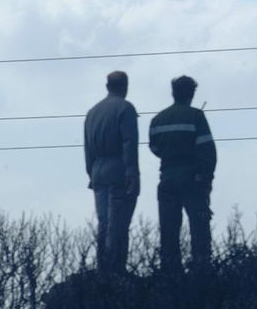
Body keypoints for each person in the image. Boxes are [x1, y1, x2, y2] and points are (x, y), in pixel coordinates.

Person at [149, 75, 217, 272]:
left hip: (167, 177)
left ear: (173, 92)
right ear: (192, 93)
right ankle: (201, 271)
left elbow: (154, 148)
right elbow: (208, 151)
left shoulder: (158, 119)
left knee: (169, 230)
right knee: (199, 227)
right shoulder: (196, 116)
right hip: (192, 179)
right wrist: (206, 179)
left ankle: (170, 273)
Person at [84, 70, 140, 273]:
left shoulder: (93, 112)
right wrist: (132, 173)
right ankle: (116, 269)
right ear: (125, 86)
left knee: (104, 223)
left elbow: (87, 148)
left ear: (107, 86)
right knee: (118, 223)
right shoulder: (125, 108)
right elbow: (129, 143)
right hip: (119, 170)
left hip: (98, 171)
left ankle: (103, 267)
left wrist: (91, 173)